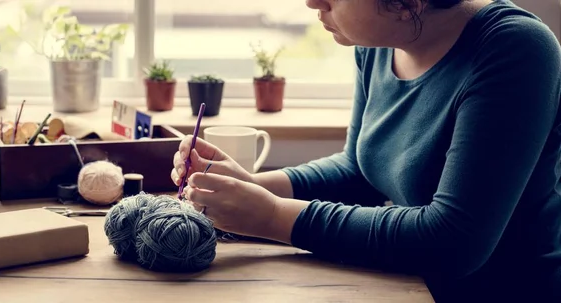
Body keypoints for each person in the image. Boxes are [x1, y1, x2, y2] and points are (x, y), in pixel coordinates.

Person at [171, 0, 561, 301]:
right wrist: (252, 185)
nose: (311, 3)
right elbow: (359, 169)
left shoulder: (515, 48)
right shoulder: (379, 44)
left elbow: (454, 243)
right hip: (406, 284)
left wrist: (271, 215)